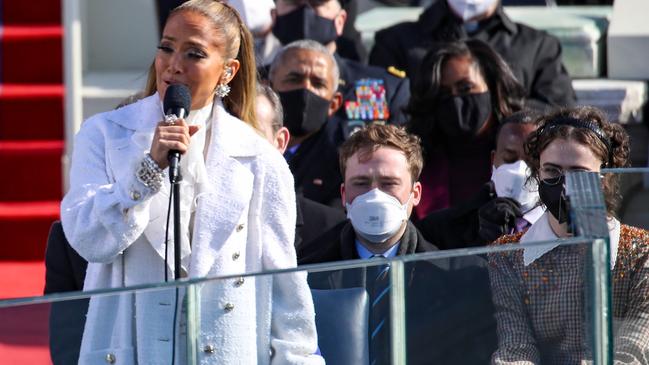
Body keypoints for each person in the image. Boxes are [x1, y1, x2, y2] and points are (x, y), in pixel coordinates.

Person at [60, 1, 323, 363]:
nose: (174, 64)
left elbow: (285, 288)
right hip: (131, 350)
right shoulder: (104, 135)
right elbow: (88, 239)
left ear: (228, 71)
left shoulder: (259, 158)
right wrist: (148, 171)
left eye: (194, 53)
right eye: (166, 47)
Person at [299, 124, 497, 364]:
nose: (374, 195)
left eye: (389, 183)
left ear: (416, 193)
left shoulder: (460, 277)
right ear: (343, 194)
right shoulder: (308, 277)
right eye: (361, 183)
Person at [489, 106, 649, 363]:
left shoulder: (640, 251)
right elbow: (515, 347)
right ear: (538, 172)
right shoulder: (508, 256)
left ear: (604, 178)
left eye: (578, 173)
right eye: (552, 171)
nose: (564, 185)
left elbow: (634, 348)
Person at [369, 0, 576, 110]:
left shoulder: (537, 46)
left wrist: (499, 111)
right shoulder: (397, 42)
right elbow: (385, 110)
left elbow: (558, 109)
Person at [406, 39, 525, 217]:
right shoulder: (417, 158)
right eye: (444, 93)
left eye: (466, 88)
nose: (456, 100)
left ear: (492, 86)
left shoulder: (522, 148)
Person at [271, 0, 411, 138]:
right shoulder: (254, 83)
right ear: (274, 16)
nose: (305, 12)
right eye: (294, 3)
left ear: (340, 20)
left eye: (317, 3)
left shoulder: (387, 89)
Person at [416, 110, 544, 249]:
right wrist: (484, 241)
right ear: (493, 160)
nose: (520, 169)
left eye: (531, 161)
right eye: (509, 159)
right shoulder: (441, 229)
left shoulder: (567, 225)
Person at [256, 83, 346, 250]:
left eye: (255, 134)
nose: (240, 144)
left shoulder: (329, 229)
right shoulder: (193, 212)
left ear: (280, 142)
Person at [268, 39, 345, 207]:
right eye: (294, 79)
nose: (306, 90)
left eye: (318, 83)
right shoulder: (242, 139)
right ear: (269, 88)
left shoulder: (345, 159)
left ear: (334, 103)